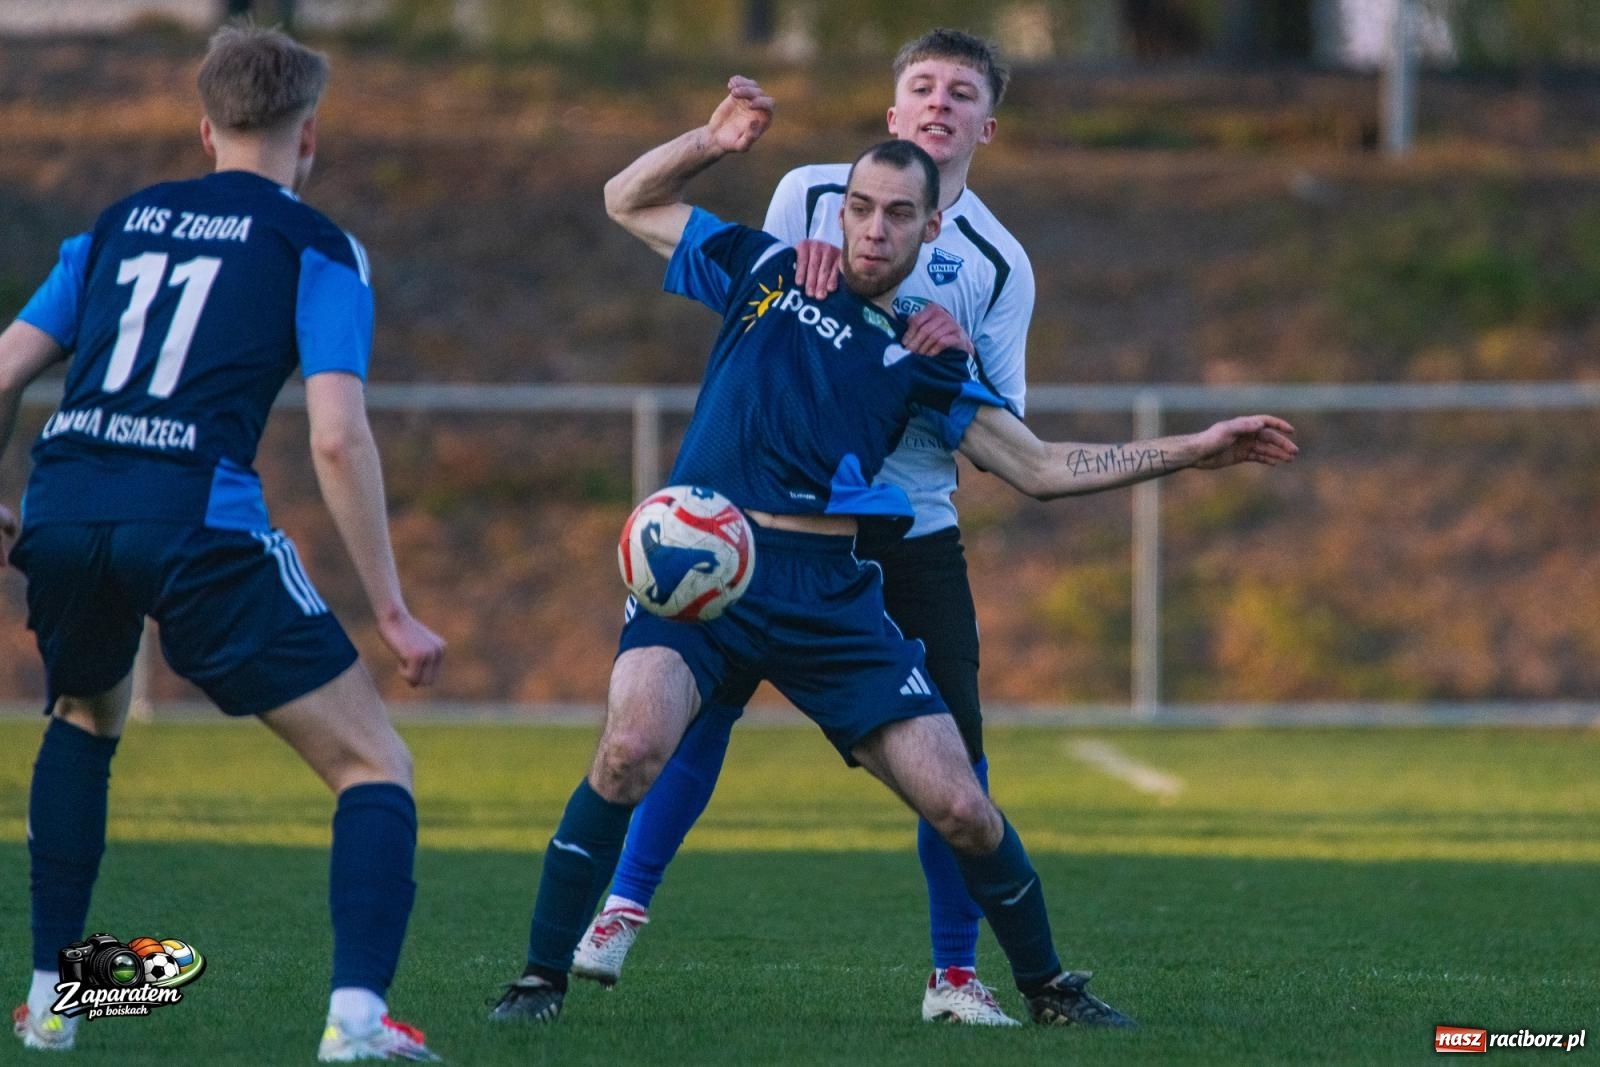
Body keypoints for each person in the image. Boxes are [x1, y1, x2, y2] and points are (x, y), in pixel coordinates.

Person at [489, 75, 1296, 1027]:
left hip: (827, 598)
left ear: (926, 236)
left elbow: (1037, 466)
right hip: (703, 578)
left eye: (898, 215)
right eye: (861, 207)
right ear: (841, 209)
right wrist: (710, 141)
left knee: (962, 804)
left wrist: (1192, 451)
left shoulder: (928, 357)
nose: (872, 227)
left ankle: (1045, 988)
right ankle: (538, 979)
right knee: (631, 745)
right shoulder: (766, 269)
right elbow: (628, 199)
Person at [574, 28, 1039, 1026]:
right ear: (891, 109)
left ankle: (953, 974)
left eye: (961, 92)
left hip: (909, 521)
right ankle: (618, 907)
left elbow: (1001, 425)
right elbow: (769, 316)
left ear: (986, 124)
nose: (938, 103)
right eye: (920, 85)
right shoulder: (809, 192)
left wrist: (950, 356)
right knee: (699, 705)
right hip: (770, 517)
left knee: (952, 747)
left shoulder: (1001, 263)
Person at [0, 25, 445, 1062]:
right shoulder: (315, 243)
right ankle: (358, 1022)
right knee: (375, 763)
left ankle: (50, 1002)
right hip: (193, 514)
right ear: (311, 139)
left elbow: (6, 368)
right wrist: (388, 606)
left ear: (204, 127)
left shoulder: (114, 225)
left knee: (85, 713)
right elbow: (335, 434)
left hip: (64, 506)